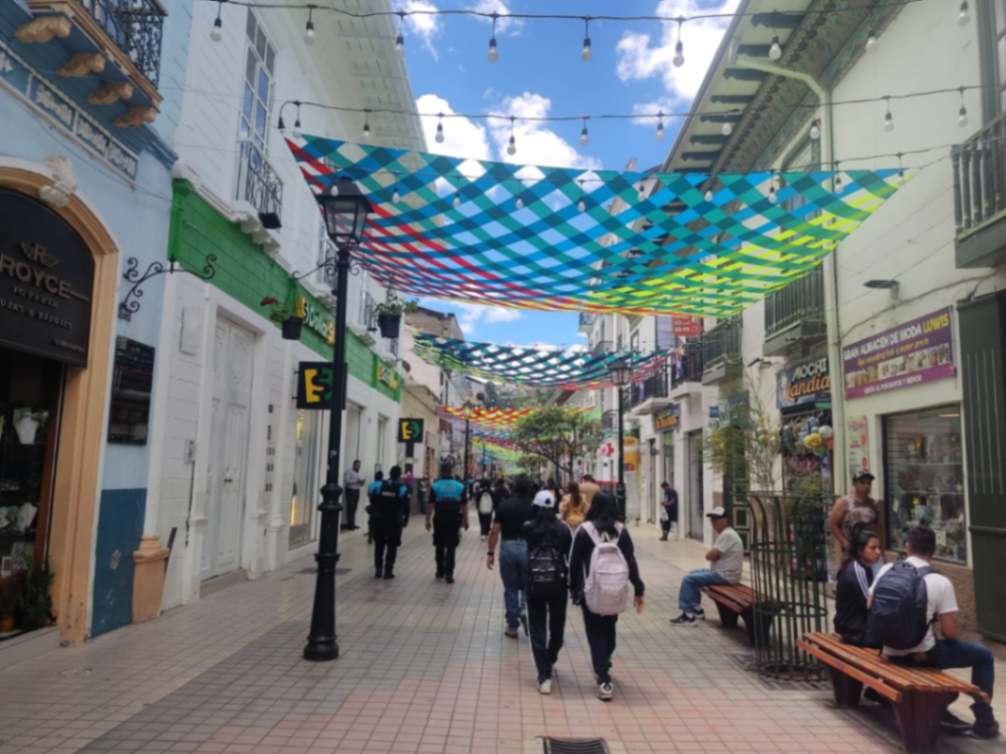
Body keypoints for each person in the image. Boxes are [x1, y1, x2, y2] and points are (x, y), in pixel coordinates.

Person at [869, 526, 999, 739]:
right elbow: (950, 633)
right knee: (983, 656)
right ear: (933, 552)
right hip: (923, 655)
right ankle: (985, 722)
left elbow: (871, 605)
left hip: (889, 651)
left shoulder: (887, 570)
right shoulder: (940, 581)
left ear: (908, 547)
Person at [569, 492, 645, 701]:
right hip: (615, 590)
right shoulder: (621, 531)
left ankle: (603, 676)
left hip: (590, 591)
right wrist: (639, 588)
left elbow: (574, 562)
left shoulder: (584, 531)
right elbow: (630, 561)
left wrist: (573, 589)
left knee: (594, 632)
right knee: (609, 628)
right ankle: (604, 661)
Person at [522, 491, 572, 694]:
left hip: (534, 584)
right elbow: (569, 556)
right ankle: (551, 657)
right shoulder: (563, 529)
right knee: (557, 627)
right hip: (558, 585)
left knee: (537, 628)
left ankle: (544, 675)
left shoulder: (528, 528)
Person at [670, 506, 744, 626]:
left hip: (725, 576)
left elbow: (710, 556)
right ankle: (697, 610)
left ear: (725, 520)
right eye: (712, 520)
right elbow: (713, 555)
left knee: (688, 580)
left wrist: (713, 555)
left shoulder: (728, 535)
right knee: (692, 574)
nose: (714, 523)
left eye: (717, 519)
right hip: (722, 573)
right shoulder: (727, 534)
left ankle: (688, 615)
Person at [487, 475, 535, 638]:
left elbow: (495, 531)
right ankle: (525, 609)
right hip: (528, 547)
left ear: (513, 488)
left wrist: (490, 553)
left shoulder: (504, 505)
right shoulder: (534, 506)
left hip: (508, 547)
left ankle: (512, 626)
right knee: (528, 585)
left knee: (511, 588)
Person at [834, 527, 882, 646]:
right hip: (856, 632)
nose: (878, 552)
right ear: (860, 551)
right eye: (873, 548)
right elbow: (870, 604)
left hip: (858, 628)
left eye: (879, 547)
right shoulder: (856, 570)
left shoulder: (864, 567)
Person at [426, 463, 468, 583]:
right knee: (451, 546)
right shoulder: (460, 486)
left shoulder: (435, 486)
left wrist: (427, 520)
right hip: (454, 519)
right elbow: (464, 505)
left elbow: (430, 504)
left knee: (439, 545)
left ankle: (440, 571)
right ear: (451, 471)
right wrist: (466, 520)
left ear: (441, 471)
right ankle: (449, 573)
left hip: (440, 518)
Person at [372, 466, 410, 579]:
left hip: (379, 520)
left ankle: (378, 569)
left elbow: (373, 500)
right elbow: (406, 506)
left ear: (389, 473)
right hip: (394, 522)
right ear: (399, 475)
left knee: (379, 545)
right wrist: (406, 520)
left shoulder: (379, 485)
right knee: (392, 546)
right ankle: (388, 571)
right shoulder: (402, 488)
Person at [830, 471, 882, 551]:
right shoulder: (844, 502)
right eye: (862, 483)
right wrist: (845, 543)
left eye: (869, 483)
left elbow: (878, 527)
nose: (867, 486)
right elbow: (833, 524)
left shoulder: (873, 504)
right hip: (851, 549)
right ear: (854, 483)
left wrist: (880, 548)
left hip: (869, 549)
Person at [342, 459, 365, 531]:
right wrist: (356, 480)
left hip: (357, 490)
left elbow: (361, 483)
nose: (358, 467)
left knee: (354, 508)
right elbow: (347, 481)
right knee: (350, 507)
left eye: (359, 465)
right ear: (354, 464)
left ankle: (353, 523)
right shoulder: (348, 471)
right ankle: (350, 525)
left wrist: (362, 482)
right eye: (357, 465)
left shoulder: (359, 473)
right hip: (350, 490)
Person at [365, 470, 384, 545]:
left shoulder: (371, 485)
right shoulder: (383, 485)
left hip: (372, 505)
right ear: (382, 477)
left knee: (371, 521)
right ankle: (378, 536)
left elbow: (369, 494)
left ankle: (370, 537)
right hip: (381, 506)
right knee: (380, 522)